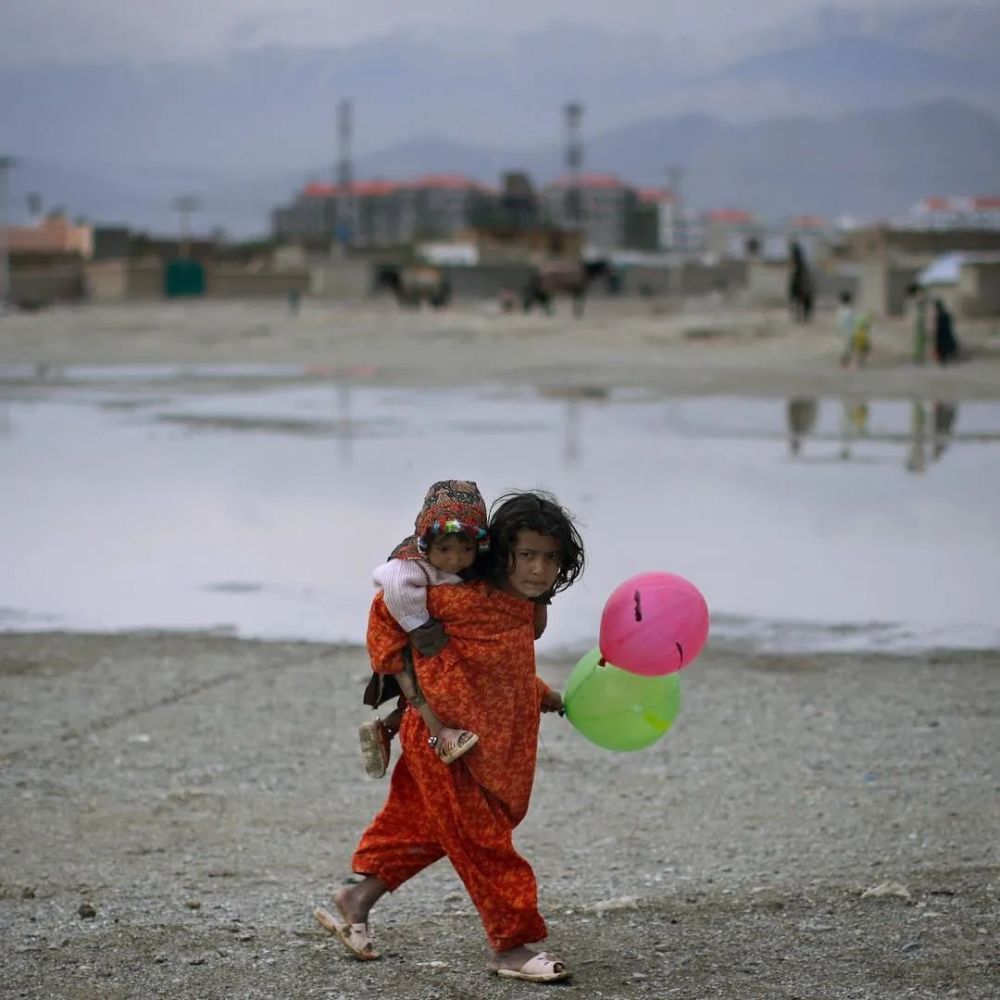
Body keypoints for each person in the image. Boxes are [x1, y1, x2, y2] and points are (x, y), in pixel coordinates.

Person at [315, 491, 585, 983]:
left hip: (499, 740)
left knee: (424, 828)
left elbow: (498, 667)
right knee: (484, 844)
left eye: (550, 558)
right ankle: (510, 946)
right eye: (527, 555)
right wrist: (413, 668)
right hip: (450, 744)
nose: (539, 568)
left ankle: (355, 899)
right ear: (502, 550)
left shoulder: (520, 607)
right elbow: (388, 610)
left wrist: (541, 692)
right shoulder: (451, 598)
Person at [359, 480, 491, 779]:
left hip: (403, 633)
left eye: (465, 549)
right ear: (426, 543)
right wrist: (421, 627)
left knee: (415, 695)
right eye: (444, 549)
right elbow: (396, 589)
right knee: (417, 688)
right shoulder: (410, 563)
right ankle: (441, 735)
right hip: (396, 634)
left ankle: (386, 728)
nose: (455, 559)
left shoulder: (455, 566)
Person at [933, 298, 959, 366]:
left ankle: (944, 360)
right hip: (946, 333)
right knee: (946, 347)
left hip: (942, 334)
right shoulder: (945, 314)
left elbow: (939, 326)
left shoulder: (940, 315)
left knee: (943, 348)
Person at [907, 283, 928, 363]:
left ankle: (919, 355)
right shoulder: (914, 301)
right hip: (917, 323)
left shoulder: (918, 301)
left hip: (920, 323)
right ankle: (917, 356)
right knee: (918, 341)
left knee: (921, 340)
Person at [836, 291, 857, 368]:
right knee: (847, 348)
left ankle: (844, 362)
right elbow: (853, 322)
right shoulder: (849, 310)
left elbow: (839, 322)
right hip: (848, 332)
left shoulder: (841, 310)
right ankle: (845, 362)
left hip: (845, 332)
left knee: (846, 348)